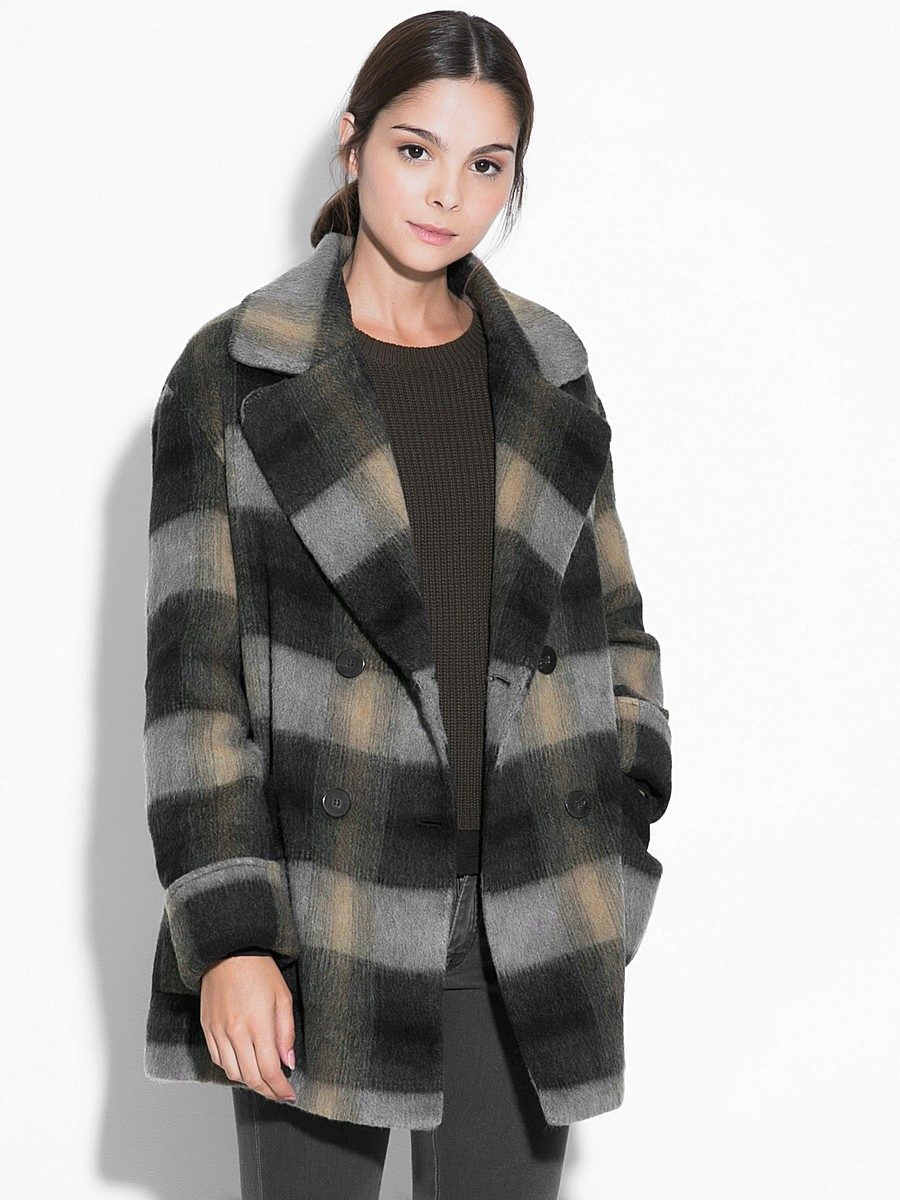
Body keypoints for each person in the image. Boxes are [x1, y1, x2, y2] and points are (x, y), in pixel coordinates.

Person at [142, 11, 672, 1200]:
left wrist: (619, 836)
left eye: (486, 165)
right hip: (325, 910)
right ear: (354, 143)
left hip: (534, 906)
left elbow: (616, 627)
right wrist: (231, 938)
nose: (446, 195)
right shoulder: (237, 369)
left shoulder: (551, 367)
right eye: (415, 150)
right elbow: (193, 687)